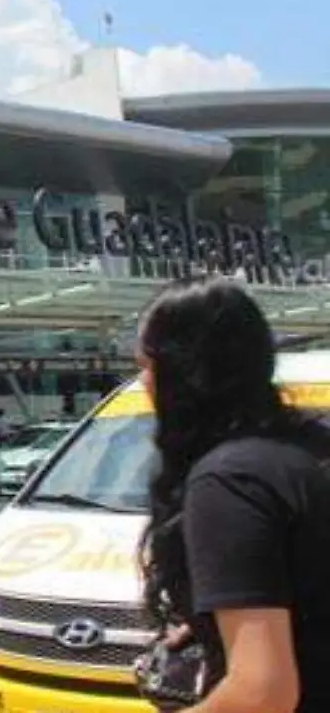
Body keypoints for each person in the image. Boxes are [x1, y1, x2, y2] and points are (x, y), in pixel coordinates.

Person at [137, 276, 330, 713]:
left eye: (147, 366)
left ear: (182, 375)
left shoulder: (228, 482)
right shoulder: (309, 448)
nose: (143, 382)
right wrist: (222, 618)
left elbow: (262, 694)